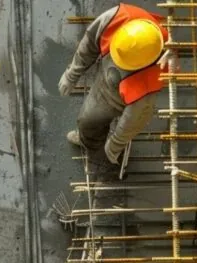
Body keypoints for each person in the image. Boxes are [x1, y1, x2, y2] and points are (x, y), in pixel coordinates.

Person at [59, 3, 168, 171]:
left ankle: (104, 157)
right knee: (86, 122)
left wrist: (116, 144)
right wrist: (71, 73)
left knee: (97, 125)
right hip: (107, 80)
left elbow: (134, 119)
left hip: (119, 96)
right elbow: (89, 43)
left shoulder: (147, 82)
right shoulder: (117, 17)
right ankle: (88, 139)